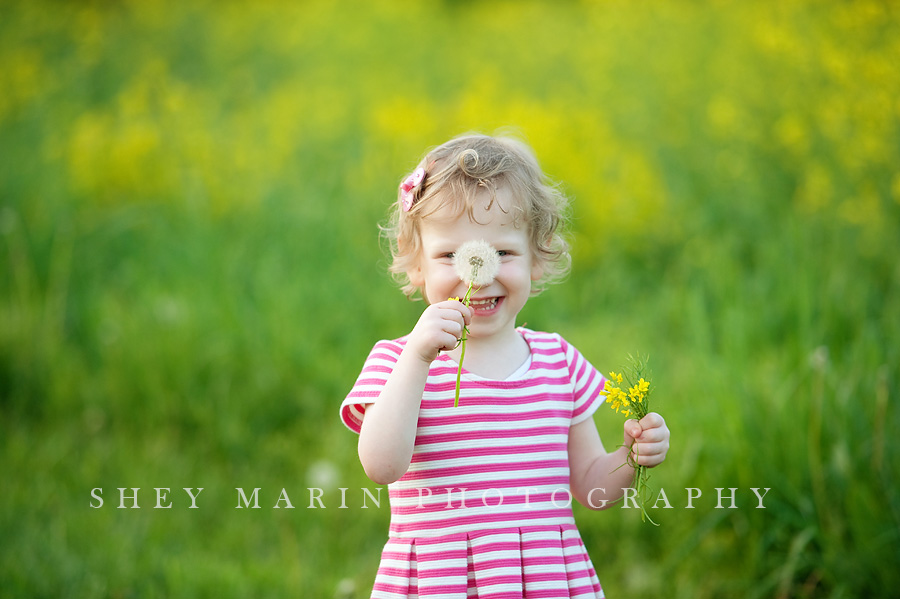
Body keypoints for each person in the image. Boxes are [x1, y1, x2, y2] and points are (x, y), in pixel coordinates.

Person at [340, 133, 670, 598]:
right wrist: (417, 359)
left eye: (504, 253)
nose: (479, 273)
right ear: (417, 266)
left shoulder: (559, 362)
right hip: (442, 581)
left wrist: (630, 458)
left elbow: (592, 489)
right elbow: (381, 465)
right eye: (449, 255)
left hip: (543, 581)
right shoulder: (398, 361)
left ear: (538, 257)